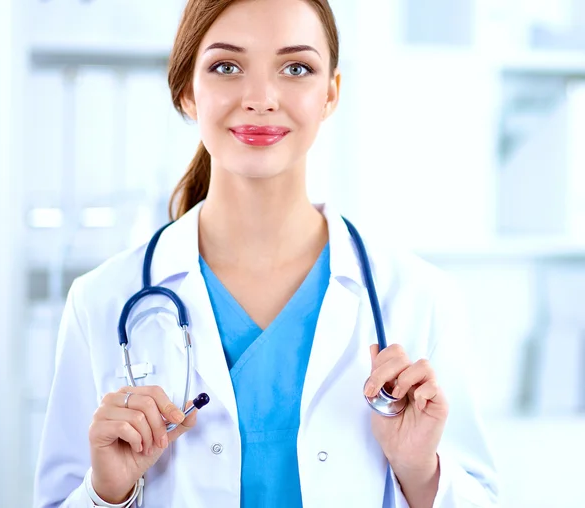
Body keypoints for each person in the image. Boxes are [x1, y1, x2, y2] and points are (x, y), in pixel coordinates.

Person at [33, 0, 499, 506]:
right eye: (226, 67)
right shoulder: (100, 300)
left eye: (296, 68)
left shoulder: (418, 297)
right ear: (188, 91)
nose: (260, 98)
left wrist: (419, 470)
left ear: (330, 94)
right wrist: (108, 492)